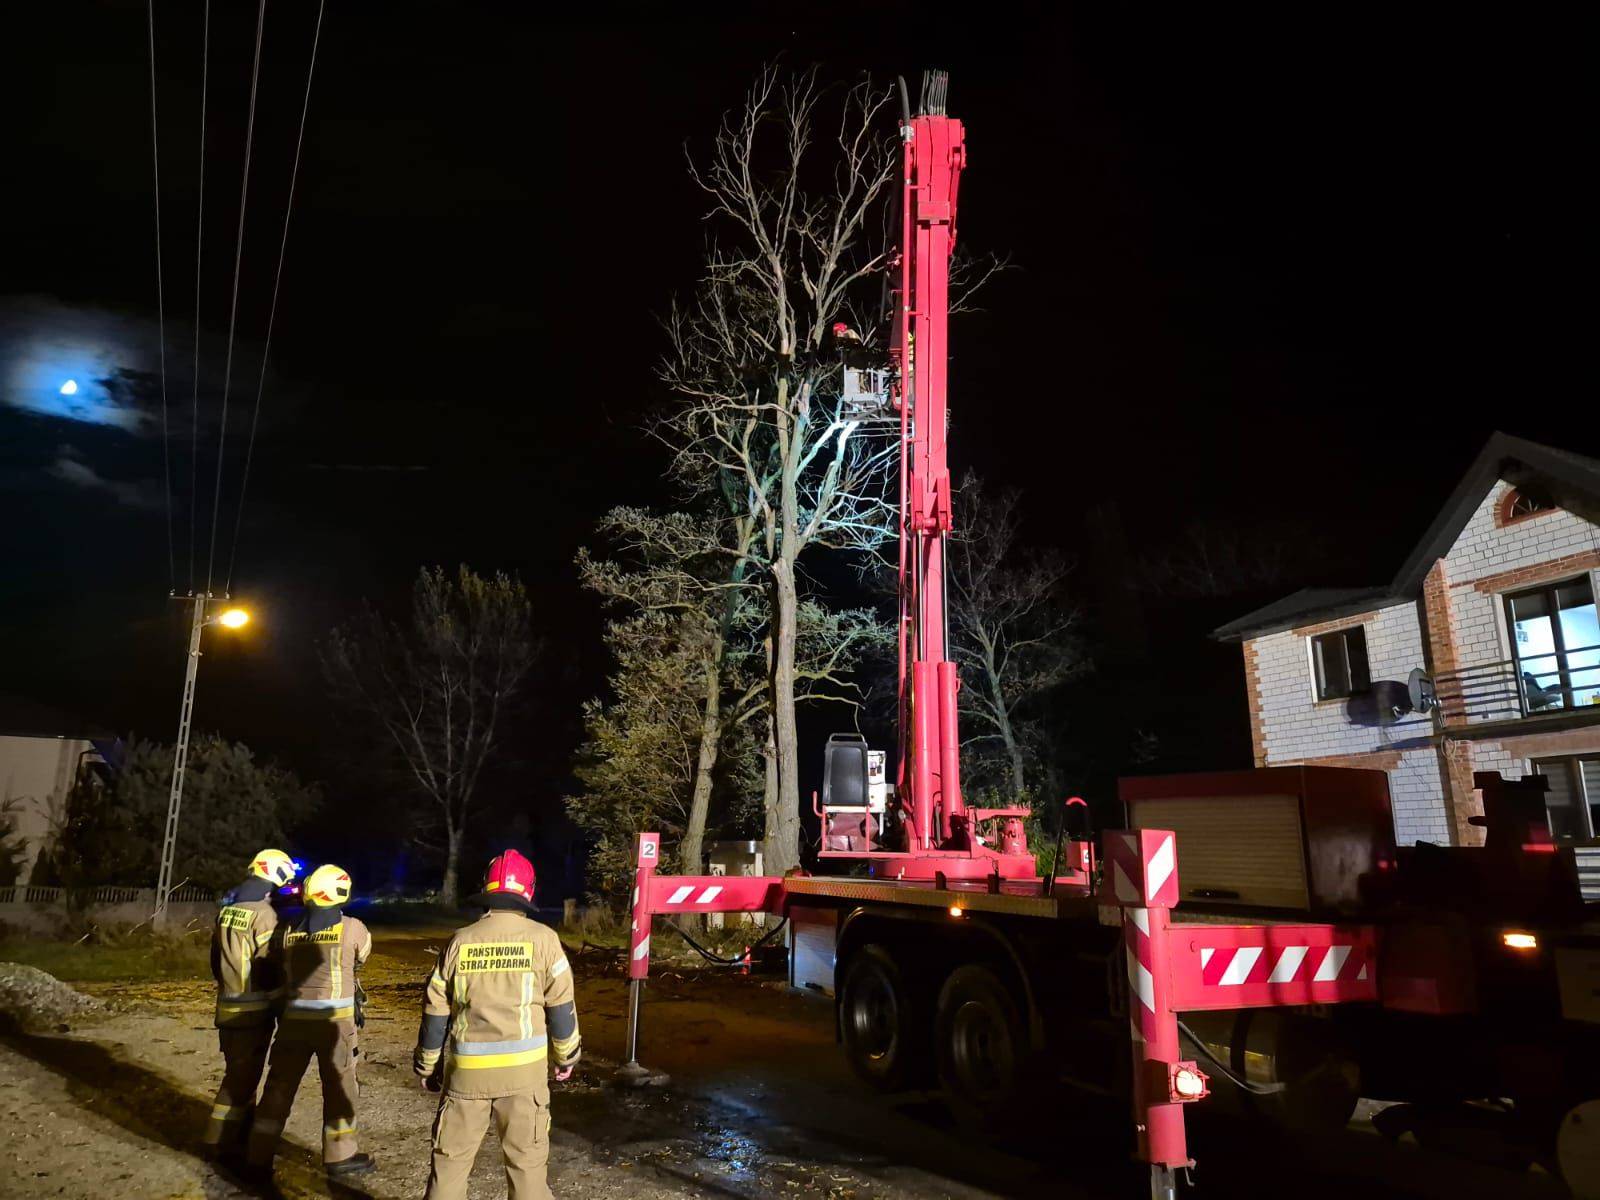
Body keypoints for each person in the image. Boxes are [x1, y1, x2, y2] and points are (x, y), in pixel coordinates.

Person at [414, 850, 580, 1199]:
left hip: (467, 1075)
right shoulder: (544, 940)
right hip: (524, 1077)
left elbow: (435, 1009)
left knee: (450, 1166)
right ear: (529, 890)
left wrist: (428, 1065)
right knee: (527, 1169)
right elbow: (561, 1006)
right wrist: (566, 1057)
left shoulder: (460, 941)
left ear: (486, 887)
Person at [245, 864, 376, 1179]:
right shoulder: (352, 928)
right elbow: (362, 956)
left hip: (293, 1023)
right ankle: (340, 1156)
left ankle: (257, 1153)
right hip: (335, 1027)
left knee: (278, 1087)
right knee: (340, 1089)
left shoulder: (290, 929)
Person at [204, 848, 298, 1156]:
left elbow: (215, 960)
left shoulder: (228, 909)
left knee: (239, 1074)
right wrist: (281, 1004)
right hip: (252, 1010)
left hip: (227, 1004)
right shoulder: (263, 915)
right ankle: (219, 1143)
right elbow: (266, 967)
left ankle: (236, 1134)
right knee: (240, 1081)